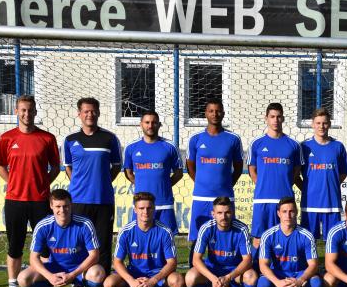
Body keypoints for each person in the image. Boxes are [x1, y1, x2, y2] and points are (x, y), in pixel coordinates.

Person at [0, 95, 61, 287]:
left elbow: (55, 168)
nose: (26, 114)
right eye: (23, 110)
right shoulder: (7, 138)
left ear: (35, 112)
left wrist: (42, 184)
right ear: (16, 111)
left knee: (44, 247)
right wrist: (13, 182)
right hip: (14, 201)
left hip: (40, 201)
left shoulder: (47, 138)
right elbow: (0, 166)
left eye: (30, 110)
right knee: (15, 245)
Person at [62, 97, 122, 287]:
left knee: (103, 244)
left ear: (98, 113)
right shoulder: (70, 140)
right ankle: (78, 285)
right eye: (86, 111)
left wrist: (101, 182)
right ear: (79, 114)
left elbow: (116, 167)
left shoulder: (109, 138)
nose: (90, 114)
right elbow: (69, 168)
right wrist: (81, 184)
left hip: (103, 200)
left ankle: (104, 286)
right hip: (78, 201)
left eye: (93, 111)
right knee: (79, 245)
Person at [17, 189, 106, 287]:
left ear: (71, 205)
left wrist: (73, 274)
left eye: (66, 206)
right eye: (58, 206)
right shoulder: (43, 226)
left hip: (80, 269)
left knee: (98, 273)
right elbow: (33, 258)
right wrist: (50, 276)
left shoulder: (84, 224)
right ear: (51, 206)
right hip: (56, 269)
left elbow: (94, 255)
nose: (62, 210)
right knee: (23, 279)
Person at [102, 192, 184, 287]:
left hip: (158, 274)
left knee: (178, 281)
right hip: (135, 273)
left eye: (149, 208)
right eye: (141, 208)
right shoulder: (126, 231)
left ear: (154, 209)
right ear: (135, 210)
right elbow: (117, 261)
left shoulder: (165, 231)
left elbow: (172, 263)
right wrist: (131, 281)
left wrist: (153, 280)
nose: (145, 211)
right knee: (108, 285)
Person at [186, 99, 244, 257]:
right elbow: (190, 165)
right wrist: (200, 182)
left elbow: (238, 167)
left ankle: (227, 269)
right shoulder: (195, 139)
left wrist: (226, 184)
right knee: (197, 237)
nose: (215, 114)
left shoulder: (233, 139)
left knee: (227, 235)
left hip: (225, 197)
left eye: (218, 111)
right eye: (211, 111)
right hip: (201, 197)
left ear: (223, 114)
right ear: (206, 114)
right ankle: (194, 270)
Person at [185, 197, 257, 287]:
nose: (224, 216)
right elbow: (196, 260)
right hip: (213, 269)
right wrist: (213, 279)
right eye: (219, 213)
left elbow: (247, 260)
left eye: (227, 212)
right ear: (213, 214)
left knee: (251, 276)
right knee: (190, 278)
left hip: (234, 271)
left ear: (232, 212)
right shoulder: (206, 228)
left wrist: (228, 277)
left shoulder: (241, 229)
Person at [257, 197, 322, 287]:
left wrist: (300, 280)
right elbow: (263, 265)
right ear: (278, 213)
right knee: (261, 286)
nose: (288, 215)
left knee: (316, 283)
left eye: (291, 211)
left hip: (299, 273)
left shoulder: (306, 235)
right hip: (279, 274)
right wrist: (277, 282)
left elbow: (313, 265)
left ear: (296, 212)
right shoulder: (268, 235)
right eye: (284, 211)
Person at [248, 103, 302, 250]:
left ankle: (283, 268)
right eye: (272, 117)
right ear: (266, 118)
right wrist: (260, 184)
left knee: (285, 236)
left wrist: (287, 183)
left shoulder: (293, 145)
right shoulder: (256, 144)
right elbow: (252, 168)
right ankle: (255, 268)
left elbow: (297, 170)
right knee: (259, 238)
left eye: (278, 117)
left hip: (284, 200)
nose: (275, 120)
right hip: (263, 199)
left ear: (283, 118)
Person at [123, 110, 183, 234]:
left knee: (167, 241)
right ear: (141, 124)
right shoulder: (131, 148)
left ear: (159, 125)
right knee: (140, 241)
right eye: (147, 122)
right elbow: (128, 173)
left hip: (164, 204)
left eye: (154, 123)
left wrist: (164, 184)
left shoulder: (170, 147)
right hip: (141, 206)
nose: (150, 126)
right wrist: (140, 184)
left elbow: (179, 173)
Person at [297, 108, 347, 241]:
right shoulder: (304, 147)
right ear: (312, 124)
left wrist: (330, 186)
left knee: (333, 243)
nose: (321, 126)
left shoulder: (338, 146)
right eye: (318, 123)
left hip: (331, 204)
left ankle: (329, 263)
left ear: (329, 124)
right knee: (307, 242)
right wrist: (307, 189)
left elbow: (342, 173)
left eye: (324, 123)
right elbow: (296, 174)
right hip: (310, 204)